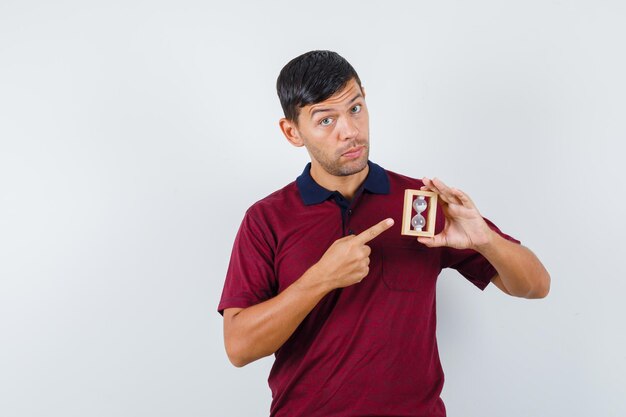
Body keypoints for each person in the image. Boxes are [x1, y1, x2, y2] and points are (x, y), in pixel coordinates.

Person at [218, 50, 550, 417]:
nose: (350, 131)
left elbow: (536, 286)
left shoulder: (421, 201)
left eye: (355, 109)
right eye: (326, 120)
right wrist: (320, 279)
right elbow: (238, 347)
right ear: (292, 132)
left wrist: (486, 241)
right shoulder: (266, 219)